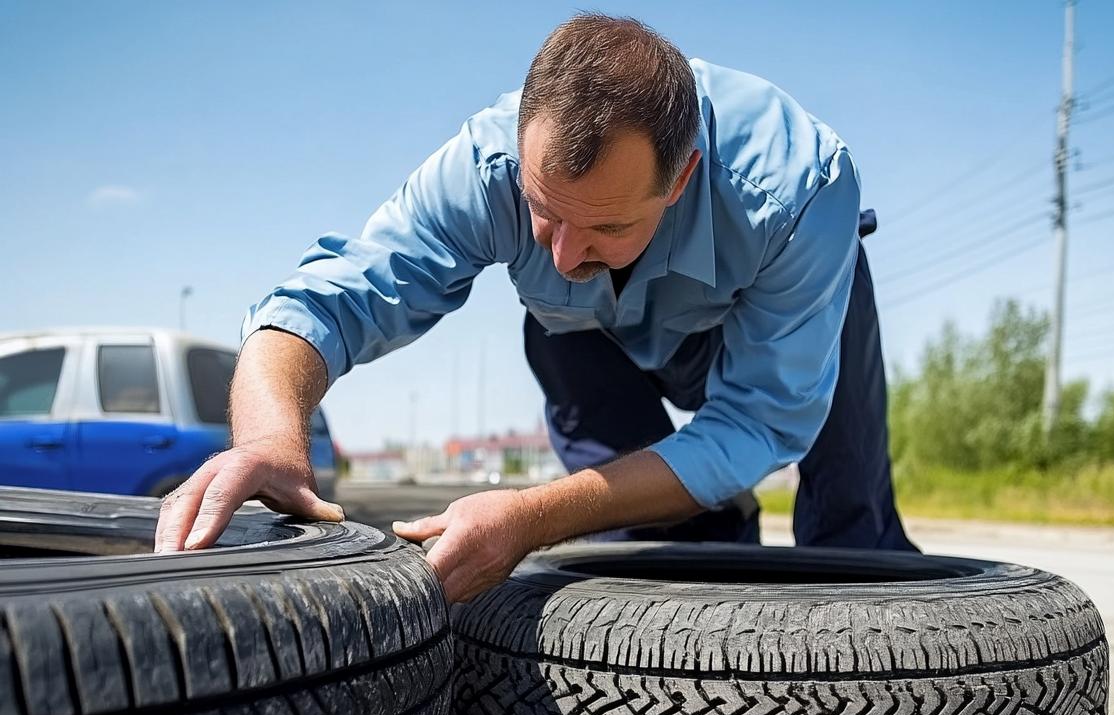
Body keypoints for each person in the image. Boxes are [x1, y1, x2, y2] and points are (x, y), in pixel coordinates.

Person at [154, 13, 914, 602]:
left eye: (608, 225)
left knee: (854, 533)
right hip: (586, 343)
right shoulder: (484, 169)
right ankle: (706, 548)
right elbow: (332, 298)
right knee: (640, 550)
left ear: (679, 180)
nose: (562, 257)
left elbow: (759, 422)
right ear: (520, 152)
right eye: (544, 212)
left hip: (786, 318)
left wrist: (533, 514)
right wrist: (271, 435)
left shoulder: (799, 188)